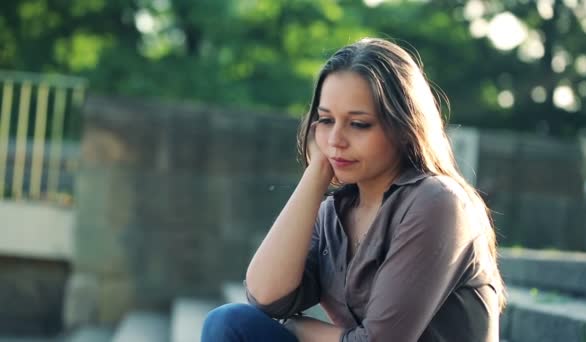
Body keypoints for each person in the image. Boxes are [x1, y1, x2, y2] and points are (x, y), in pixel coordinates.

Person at [201, 37, 505, 342]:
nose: (336, 139)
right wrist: (316, 173)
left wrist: (299, 329)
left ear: (404, 127)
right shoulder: (335, 213)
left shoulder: (437, 203)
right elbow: (266, 296)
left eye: (358, 124)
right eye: (325, 120)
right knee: (230, 324)